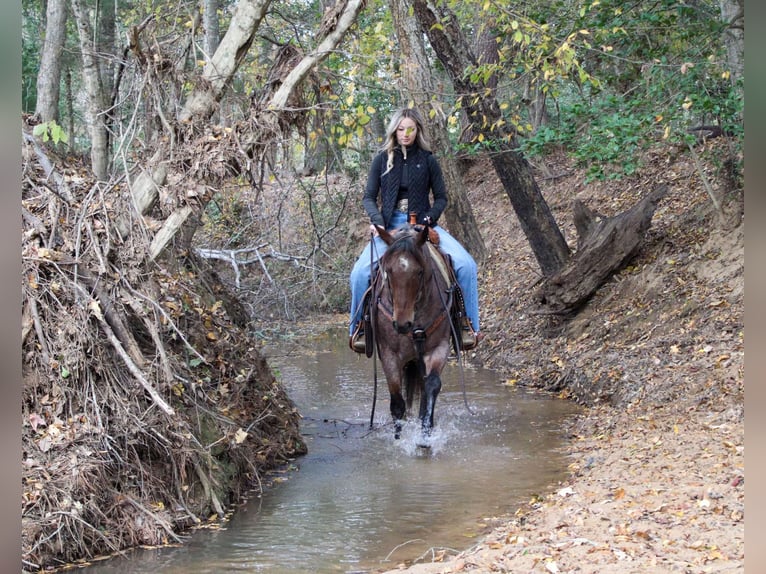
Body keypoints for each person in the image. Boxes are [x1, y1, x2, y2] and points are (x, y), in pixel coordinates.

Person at [348, 107, 482, 352]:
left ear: (417, 130)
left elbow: (441, 198)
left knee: (466, 265)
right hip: (389, 228)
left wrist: (428, 221)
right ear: (394, 131)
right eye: (401, 129)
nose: (405, 134)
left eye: (410, 129)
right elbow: (369, 196)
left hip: (422, 227)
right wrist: (378, 221)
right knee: (359, 274)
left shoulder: (428, 160)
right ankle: (360, 328)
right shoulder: (381, 159)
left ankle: (466, 325)